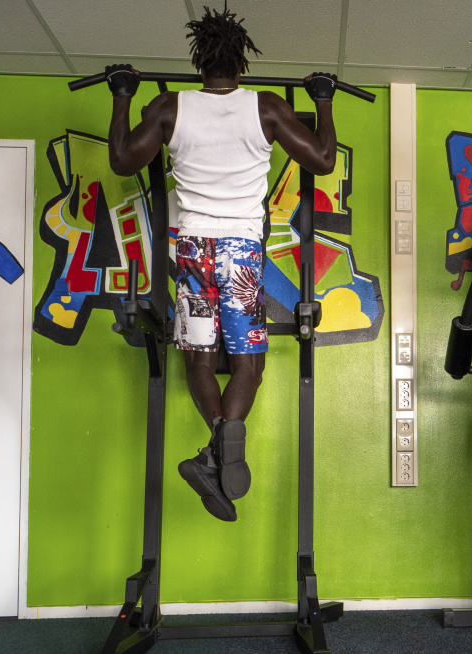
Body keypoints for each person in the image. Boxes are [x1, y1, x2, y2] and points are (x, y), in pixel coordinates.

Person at [104, 4, 339, 522]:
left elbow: (122, 158)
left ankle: (216, 447)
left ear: (198, 63)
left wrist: (122, 93)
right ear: (242, 64)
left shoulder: (169, 107)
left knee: (200, 360)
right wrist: (322, 100)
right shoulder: (267, 108)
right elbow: (323, 161)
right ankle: (214, 456)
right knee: (249, 365)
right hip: (240, 253)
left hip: (191, 251)